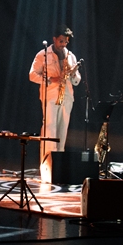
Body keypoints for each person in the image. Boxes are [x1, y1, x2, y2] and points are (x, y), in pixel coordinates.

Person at [29, 26, 80, 183]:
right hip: (50, 95)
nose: (63, 44)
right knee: (49, 131)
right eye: (61, 41)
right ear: (54, 39)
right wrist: (50, 79)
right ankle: (47, 172)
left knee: (62, 133)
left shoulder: (70, 56)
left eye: (66, 42)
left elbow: (77, 80)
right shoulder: (43, 54)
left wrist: (73, 74)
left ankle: (58, 171)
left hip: (67, 97)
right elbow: (32, 75)